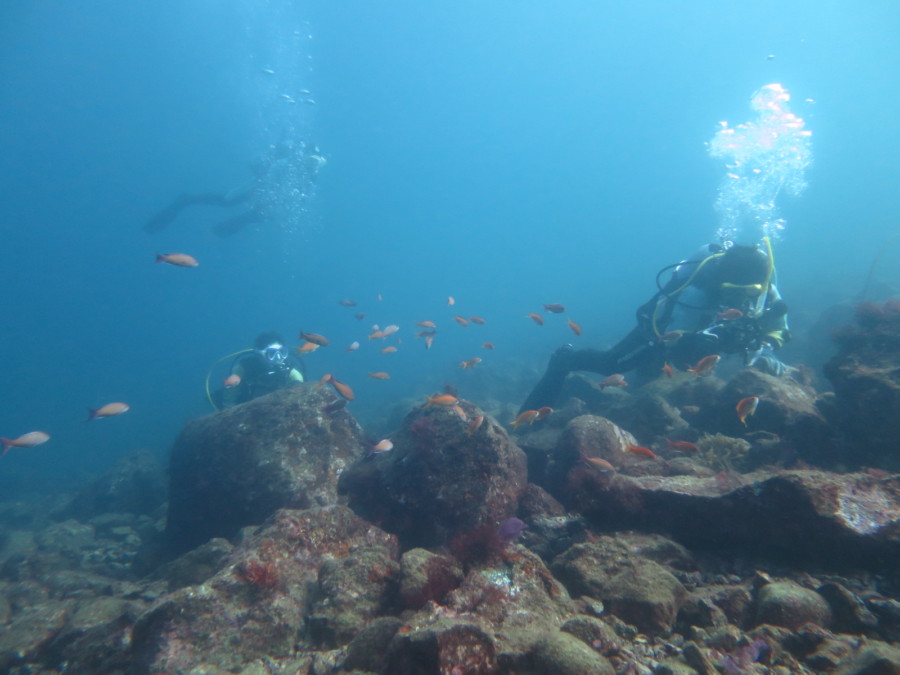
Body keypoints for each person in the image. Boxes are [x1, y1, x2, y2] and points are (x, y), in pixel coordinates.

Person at [520, 238, 790, 413]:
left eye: (750, 291)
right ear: (721, 282)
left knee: (648, 378)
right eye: (732, 290)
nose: (741, 298)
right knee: (612, 365)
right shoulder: (697, 292)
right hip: (661, 333)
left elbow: (779, 328)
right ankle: (564, 359)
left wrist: (767, 348)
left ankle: (647, 375)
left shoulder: (767, 294)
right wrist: (703, 340)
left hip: (693, 345)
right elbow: (674, 341)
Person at [143, 140, 326, 237]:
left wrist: (283, 210)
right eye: (310, 161)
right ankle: (186, 200)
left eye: (315, 163)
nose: (311, 165)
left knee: (260, 213)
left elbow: (302, 194)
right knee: (228, 201)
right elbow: (267, 177)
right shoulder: (289, 163)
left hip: (267, 190)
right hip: (259, 185)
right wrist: (266, 196)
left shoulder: (310, 172)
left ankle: (227, 224)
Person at [211, 332, 305, 410]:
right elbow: (230, 397)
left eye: (282, 352)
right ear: (259, 354)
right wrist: (229, 411)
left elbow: (300, 388)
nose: (278, 357)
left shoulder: (289, 369)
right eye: (271, 353)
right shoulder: (244, 367)